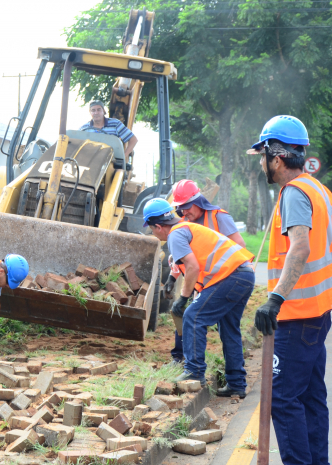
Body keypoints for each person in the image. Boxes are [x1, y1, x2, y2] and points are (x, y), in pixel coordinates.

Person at [249, 115, 332, 465]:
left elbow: (300, 248)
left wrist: (274, 300)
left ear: (277, 158)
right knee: (311, 397)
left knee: (282, 399)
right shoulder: (319, 189)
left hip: (297, 318)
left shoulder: (295, 193)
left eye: (263, 158)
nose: (262, 166)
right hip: (318, 313)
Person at [142, 198, 254, 389]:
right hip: (244, 275)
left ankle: (194, 372)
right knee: (229, 329)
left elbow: (192, 267)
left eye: (152, 230)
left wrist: (183, 299)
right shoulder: (187, 228)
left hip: (230, 277)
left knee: (193, 317)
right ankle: (236, 384)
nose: (153, 233)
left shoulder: (175, 235)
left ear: (159, 226)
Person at [166, 179, 247, 364]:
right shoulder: (185, 221)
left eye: (187, 206)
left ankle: (198, 369)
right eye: (180, 208)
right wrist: (173, 276)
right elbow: (185, 257)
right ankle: (180, 358)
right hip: (201, 281)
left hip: (224, 281)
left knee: (221, 326)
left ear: (198, 200)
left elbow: (240, 247)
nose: (184, 212)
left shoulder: (219, 217)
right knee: (187, 315)